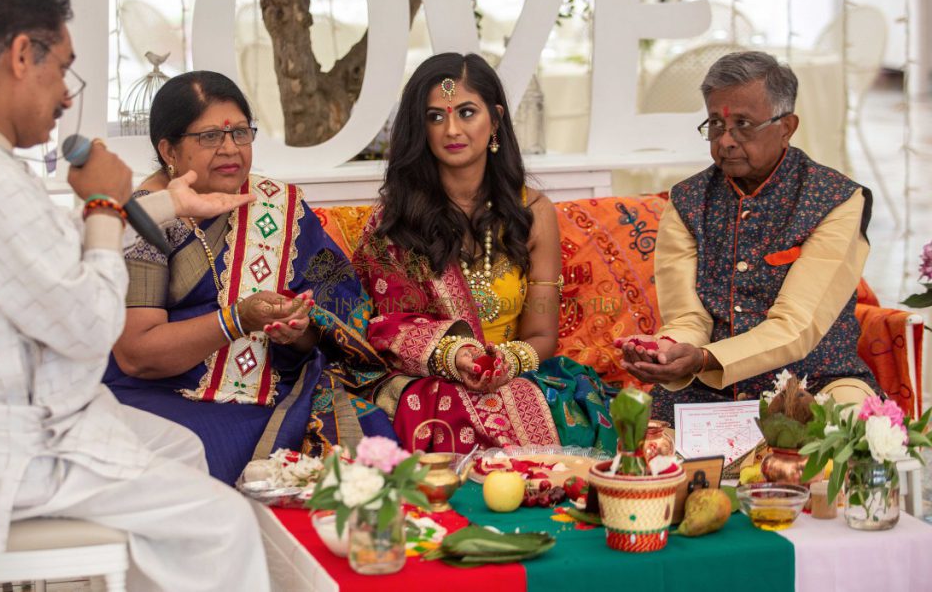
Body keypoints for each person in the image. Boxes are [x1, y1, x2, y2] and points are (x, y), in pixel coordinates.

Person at [0, 0, 268, 592]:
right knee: (224, 524)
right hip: (4, 452)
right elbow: (89, 328)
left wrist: (163, 205)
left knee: (182, 450)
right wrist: (104, 202)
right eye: (66, 71)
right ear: (23, 56)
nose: (66, 98)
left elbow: (44, 257)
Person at [104, 70, 396, 485]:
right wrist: (238, 319)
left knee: (372, 435)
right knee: (200, 453)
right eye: (210, 137)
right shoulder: (146, 220)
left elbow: (340, 308)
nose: (231, 149)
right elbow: (138, 353)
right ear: (168, 149)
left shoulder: (278, 206)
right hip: (166, 395)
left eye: (241, 133)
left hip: (278, 386)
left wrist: (297, 331)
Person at [353, 52, 617, 453]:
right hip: (428, 380)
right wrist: (455, 355)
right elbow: (387, 326)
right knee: (442, 404)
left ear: (494, 119)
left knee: (533, 401)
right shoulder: (399, 220)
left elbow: (542, 334)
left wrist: (504, 363)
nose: (452, 129)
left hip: (515, 370)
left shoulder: (532, 212)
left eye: (466, 112)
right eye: (435, 117)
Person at [618, 51, 879, 423]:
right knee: (654, 457)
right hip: (706, 388)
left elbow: (797, 326)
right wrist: (666, 350)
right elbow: (688, 317)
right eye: (715, 124)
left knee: (854, 426)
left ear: (787, 126)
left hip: (817, 380)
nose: (726, 141)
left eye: (743, 124)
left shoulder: (834, 199)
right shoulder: (688, 201)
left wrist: (707, 359)